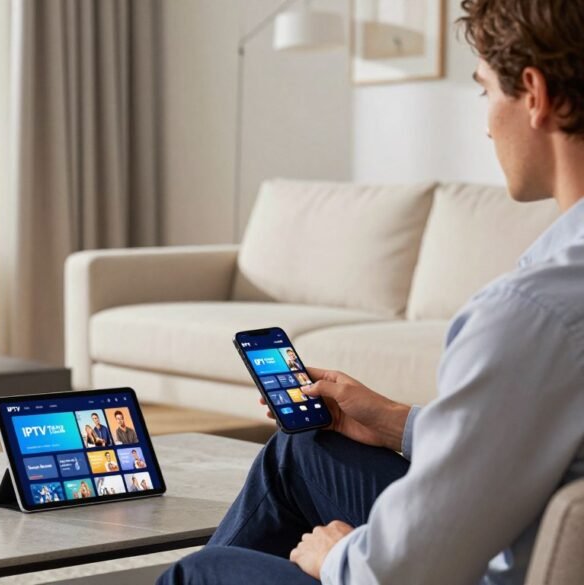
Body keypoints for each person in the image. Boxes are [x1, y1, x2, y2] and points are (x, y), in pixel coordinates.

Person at [159, 2, 584, 583]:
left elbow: (404, 571)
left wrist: (334, 555)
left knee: (201, 572)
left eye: (485, 91)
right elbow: (520, 436)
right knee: (301, 450)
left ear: (534, 94)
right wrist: (391, 420)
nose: (486, 125)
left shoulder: (531, 314)